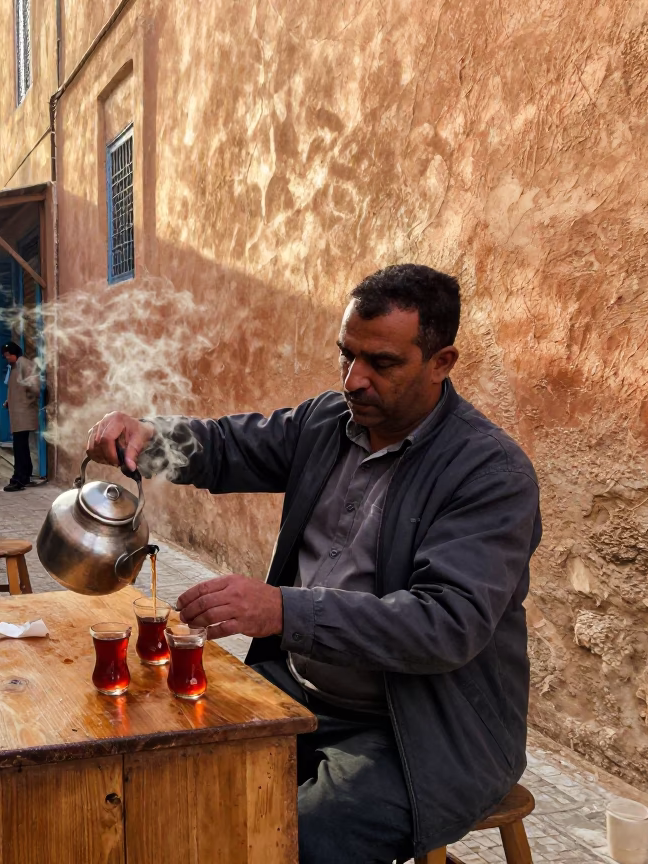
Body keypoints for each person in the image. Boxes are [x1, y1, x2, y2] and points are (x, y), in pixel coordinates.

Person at [85, 264, 542, 863]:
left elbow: (444, 625)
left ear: (442, 362)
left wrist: (282, 609)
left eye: (382, 363)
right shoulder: (328, 422)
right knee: (158, 757)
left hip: (424, 730)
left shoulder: (489, 472)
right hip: (298, 690)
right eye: (345, 356)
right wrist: (150, 437)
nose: (355, 380)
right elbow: (229, 447)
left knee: (292, 842)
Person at [1, 341, 40, 491]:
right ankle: (25, 475)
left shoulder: (24, 364)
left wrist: (26, 401)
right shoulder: (15, 366)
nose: (7, 358)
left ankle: (19, 478)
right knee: (21, 445)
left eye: (8, 355)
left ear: (15, 353)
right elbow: (18, 389)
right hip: (18, 411)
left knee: (20, 447)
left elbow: (34, 388)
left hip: (23, 412)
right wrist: (10, 401)